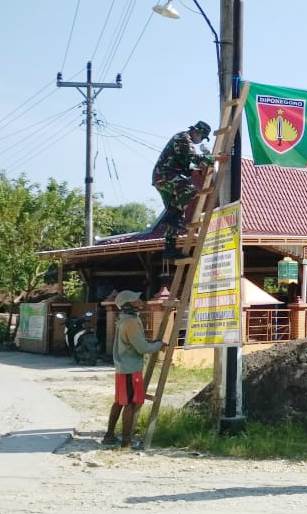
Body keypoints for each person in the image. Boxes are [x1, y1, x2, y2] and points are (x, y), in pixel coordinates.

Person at [102, 290, 163, 449]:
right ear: (128, 304)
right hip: (130, 369)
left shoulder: (124, 319)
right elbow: (142, 348)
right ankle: (126, 441)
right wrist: (158, 345)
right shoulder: (131, 322)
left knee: (119, 402)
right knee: (130, 403)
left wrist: (151, 343)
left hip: (123, 368)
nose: (140, 301)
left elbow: (136, 342)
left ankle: (109, 436)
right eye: (136, 299)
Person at [152, 121, 213, 258]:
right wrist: (213, 158)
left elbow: (187, 165)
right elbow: (193, 157)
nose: (201, 140)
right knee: (189, 190)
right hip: (164, 176)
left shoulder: (185, 140)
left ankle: (170, 249)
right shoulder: (183, 138)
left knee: (176, 215)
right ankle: (169, 217)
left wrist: (201, 167)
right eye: (202, 137)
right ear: (197, 132)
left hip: (167, 177)